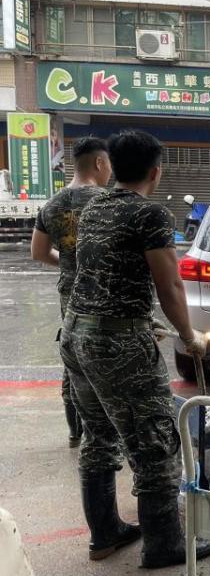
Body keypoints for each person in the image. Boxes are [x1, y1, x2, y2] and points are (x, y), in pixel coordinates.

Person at [59, 130, 210, 567]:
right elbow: (170, 285)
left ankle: (105, 532)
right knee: (153, 441)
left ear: (112, 165)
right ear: (156, 171)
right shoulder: (150, 214)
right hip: (117, 343)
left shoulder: (94, 207)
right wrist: (189, 337)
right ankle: (163, 543)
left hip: (76, 334)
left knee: (99, 435)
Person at [32, 137, 112, 447]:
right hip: (105, 294)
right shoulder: (108, 202)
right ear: (99, 163)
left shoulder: (51, 204)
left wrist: (70, 267)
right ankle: (105, 433)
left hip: (71, 295)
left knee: (73, 358)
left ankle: (75, 431)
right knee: (104, 358)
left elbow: (38, 253)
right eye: (109, 166)